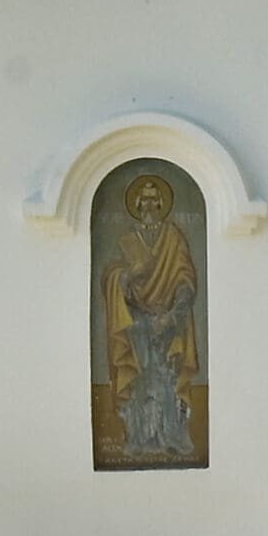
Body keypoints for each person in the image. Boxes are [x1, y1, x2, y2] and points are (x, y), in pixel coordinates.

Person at [102, 173, 200, 459]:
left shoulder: (173, 237)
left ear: (160, 203)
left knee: (167, 381)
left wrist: (171, 316)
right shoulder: (128, 239)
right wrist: (128, 276)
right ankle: (138, 438)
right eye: (142, 199)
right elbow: (110, 278)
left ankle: (171, 436)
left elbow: (186, 280)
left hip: (168, 324)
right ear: (136, 202)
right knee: (140, 382)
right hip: (135, 325)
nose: (147, 204)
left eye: (153, 199)